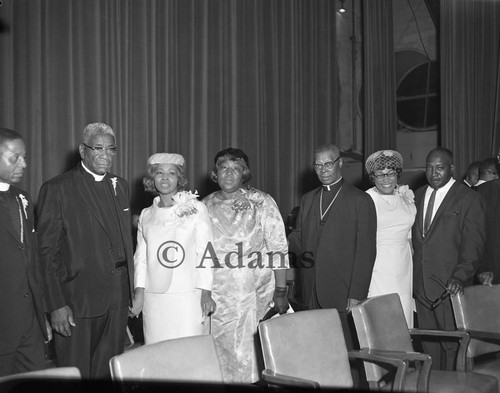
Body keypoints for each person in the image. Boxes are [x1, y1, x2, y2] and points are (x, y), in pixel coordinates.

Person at [37, 123, 134, 379]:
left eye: (111, 149)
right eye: (98, 148)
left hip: (118, 295)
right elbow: (46, 253)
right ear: (82, 150)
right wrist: (56, 304)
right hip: (77, 299)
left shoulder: (121, 185)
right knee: (76, 373)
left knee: (109, 369)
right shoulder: (57, 188)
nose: (105, 155)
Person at [287, 143, 376, 388]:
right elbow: (299, 237)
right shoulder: (308, 199)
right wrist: (277, 241)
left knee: (346, 353)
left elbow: (366, 252)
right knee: (317, 350)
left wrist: (357, 294)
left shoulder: (361, 200)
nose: (323, 169)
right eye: (318, 165)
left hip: (342, 290)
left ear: (340, 163)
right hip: (311, 289)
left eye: (328, 163)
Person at [202, 147, 289, 384]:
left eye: (236, 169)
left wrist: (281, 291)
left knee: (253, 359)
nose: (229, 174)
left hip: (254, 294)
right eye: (224, 168)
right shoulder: (204, 205)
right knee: (220, 360)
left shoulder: (261, 201)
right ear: (215, 173)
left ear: (244, 173)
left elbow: (278, 247)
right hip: (217, 296)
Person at [412, 147, 486, 370]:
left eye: (440, 168)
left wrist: (459, 277)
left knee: (453, 347)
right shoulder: (416, 195)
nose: (434, 173)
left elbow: (474, 246)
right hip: (421, 288)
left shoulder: (469, 198)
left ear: (452, 168)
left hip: (449, 288)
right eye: (429, 168)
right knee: (428, 347)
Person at [129, 153, 215, 344]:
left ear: (180, 179)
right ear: (152, 178)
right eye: (159, 173)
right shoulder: (145, 215)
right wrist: (139, 294)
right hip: (155, 299)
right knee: (159, 355)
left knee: (190, 352)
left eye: (172, 173)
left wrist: (206, 292)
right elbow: (140, 258)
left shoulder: (196, 209)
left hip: (188, 297)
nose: (165, 178)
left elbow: (206, 252)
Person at [0, 128, 52, 376]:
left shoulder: (23, 197)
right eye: (15, 158)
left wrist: (41, 317)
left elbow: (32, 260)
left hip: (29, 324)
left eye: (24, 156)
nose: (24, 163)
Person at [365, 150, 416, 327]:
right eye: (380, 174)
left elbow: (410, 237)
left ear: (397, 174)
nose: (386, 179)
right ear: (373, 177)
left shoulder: (405, 197)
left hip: (403, 266)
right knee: (383, 320)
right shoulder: (366, 200)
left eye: (391, 173)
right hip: (378, 267)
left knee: (403, 316)